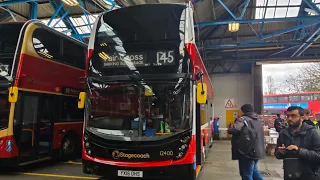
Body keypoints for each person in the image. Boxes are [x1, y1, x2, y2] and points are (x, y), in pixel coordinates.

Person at [275, 106, 320, 180]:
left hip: (310, 175)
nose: (289, 118)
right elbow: (277, 154)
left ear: (302, 118)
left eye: (293, 116)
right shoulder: (283, 133)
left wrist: (299, 150)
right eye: (288, 116)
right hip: (290, 175)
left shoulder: (313, 133)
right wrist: (281, 152)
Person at [228, 104, 265, 180]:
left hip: (247, 151)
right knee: (254, 171)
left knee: (246, 174)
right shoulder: (257, 120)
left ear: (244, 110)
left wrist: (229, 129)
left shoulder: (243, 119)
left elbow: (235, 130)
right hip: (258, 150)